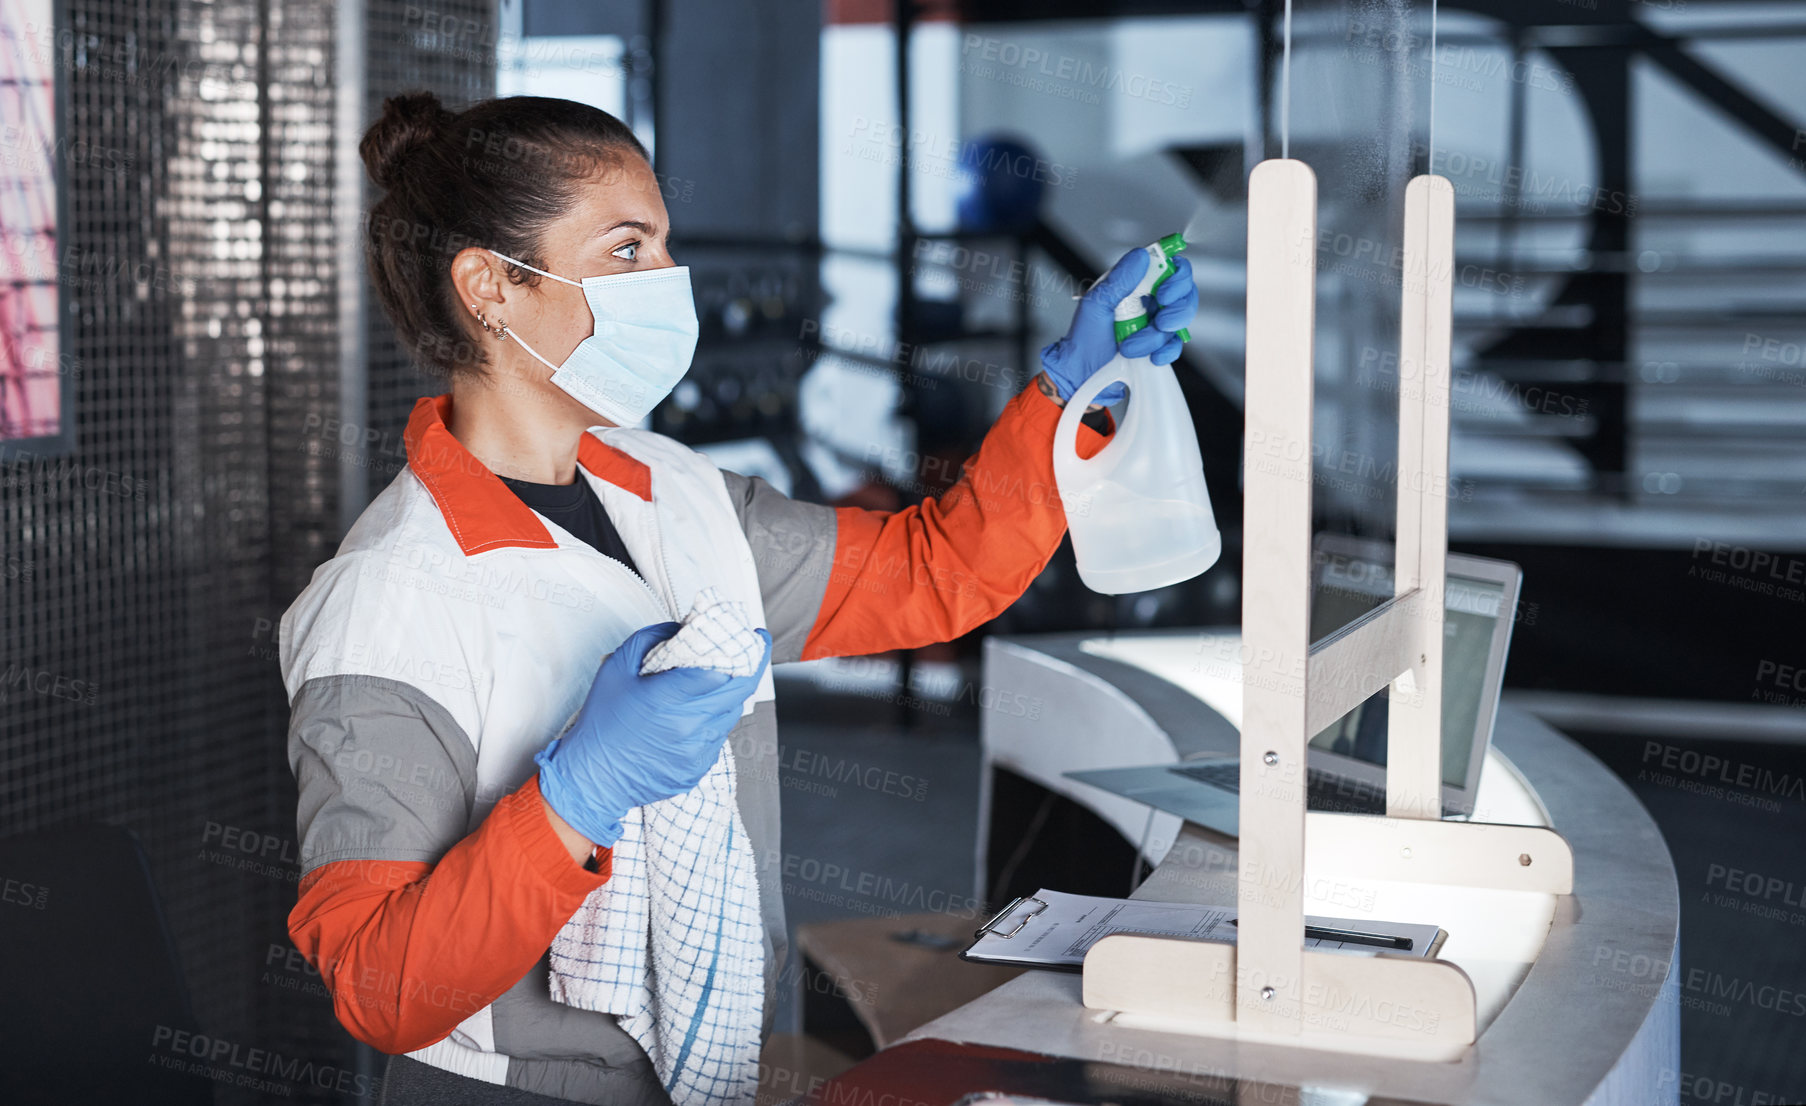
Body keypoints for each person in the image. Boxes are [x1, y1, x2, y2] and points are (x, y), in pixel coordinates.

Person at [279, 92, 1197, 1106]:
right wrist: (570, 800)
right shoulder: (387, 600)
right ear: (489, 285)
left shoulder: (675, 490)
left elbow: (935, 573)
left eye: (664, 248)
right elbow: (376, 984)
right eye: (627, 251)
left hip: (715, 1066)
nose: (669, 283)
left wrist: (1071, 395)